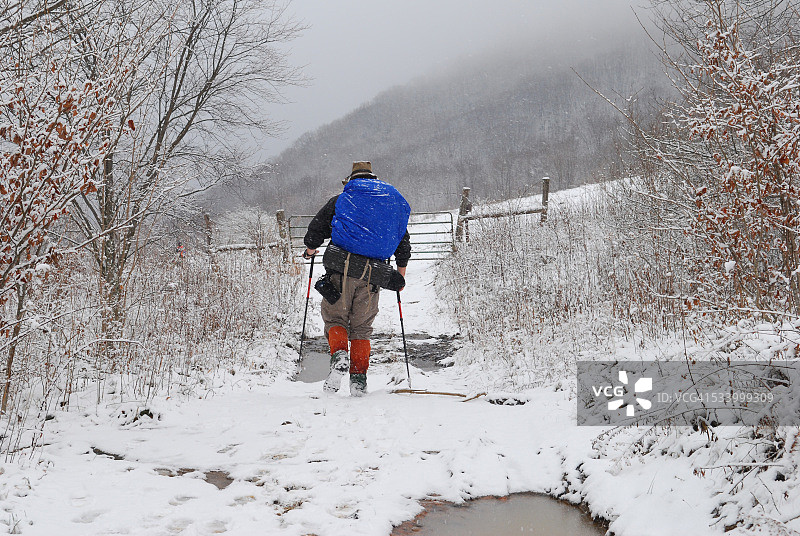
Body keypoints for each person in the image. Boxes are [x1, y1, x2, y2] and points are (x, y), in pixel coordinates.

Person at [303, 161, 411, 396]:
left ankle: (340, 355)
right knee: (362, 329)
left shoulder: (342, 200)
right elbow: (402, 243)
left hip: (340, 271)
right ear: (374, 179)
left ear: (351, 180)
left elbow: (316, 229)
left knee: (335, 320)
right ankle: (358, 381)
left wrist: (310, 250)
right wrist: (399, 277)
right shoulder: (389, 206)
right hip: (374, 275)